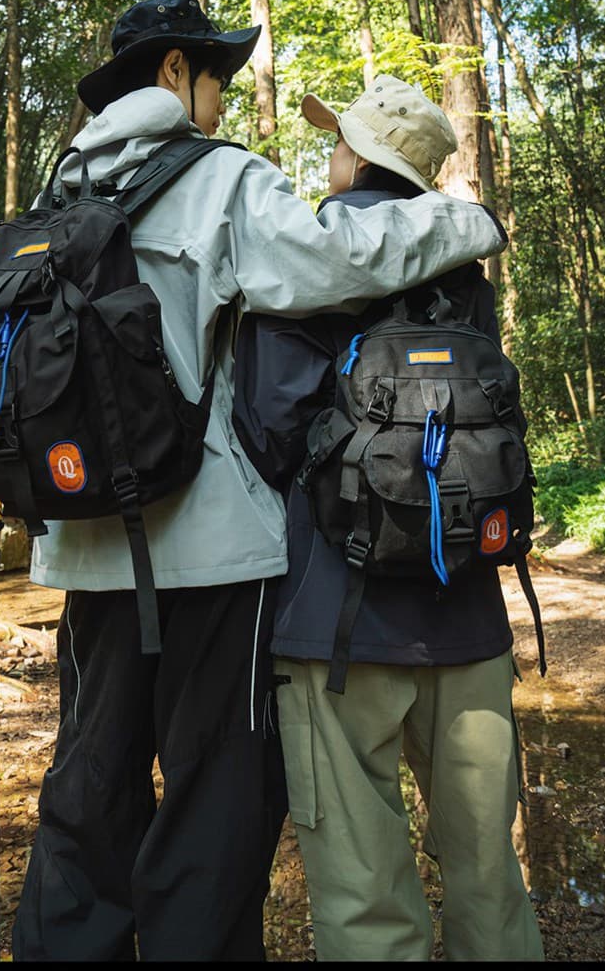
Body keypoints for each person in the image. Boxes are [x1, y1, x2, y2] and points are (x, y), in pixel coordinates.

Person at [11, 0, 508, 963]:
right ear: (174, 73)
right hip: (211, 562)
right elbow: (336, 256)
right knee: (214, 810)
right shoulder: (221, 177)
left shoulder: (61, 185)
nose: (223, 99)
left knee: (87, 794)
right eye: (216, 79)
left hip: (84, 548)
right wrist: (462, 220)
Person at [232, 74, 545, 963]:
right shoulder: (465, 275)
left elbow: (268, 432)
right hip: (467, 618)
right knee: (489, 879)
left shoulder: (302, 263)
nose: (330, 154)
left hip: (335, 629)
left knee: (364, 895)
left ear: (360, 157)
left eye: (339, 140)